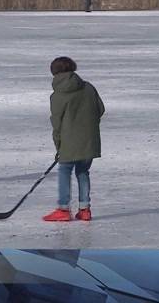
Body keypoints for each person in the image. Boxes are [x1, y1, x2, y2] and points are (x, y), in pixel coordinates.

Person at [43, 57, 104, 222]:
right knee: (83, 172)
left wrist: (58, 146)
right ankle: (85, 210)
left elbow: (56, 123)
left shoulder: (57, 96)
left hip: (69, 143)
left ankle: (63, 209)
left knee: (64, 172)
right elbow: (100, 109)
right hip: (89, 140)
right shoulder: (89, 87)